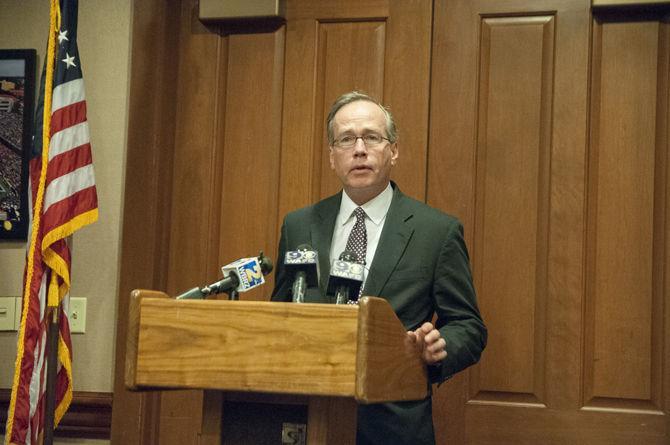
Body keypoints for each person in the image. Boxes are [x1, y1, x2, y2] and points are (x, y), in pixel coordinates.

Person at [271, 91, 486, 445]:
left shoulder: (436, 232)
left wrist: (439, 345)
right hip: (306, 419)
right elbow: (278, 316)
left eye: (371, 137)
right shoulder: (299, 225)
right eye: (346, 139)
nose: (359, 149)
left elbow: (469, 326)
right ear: (332, 156)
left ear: (393, 151)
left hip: (393, 426)